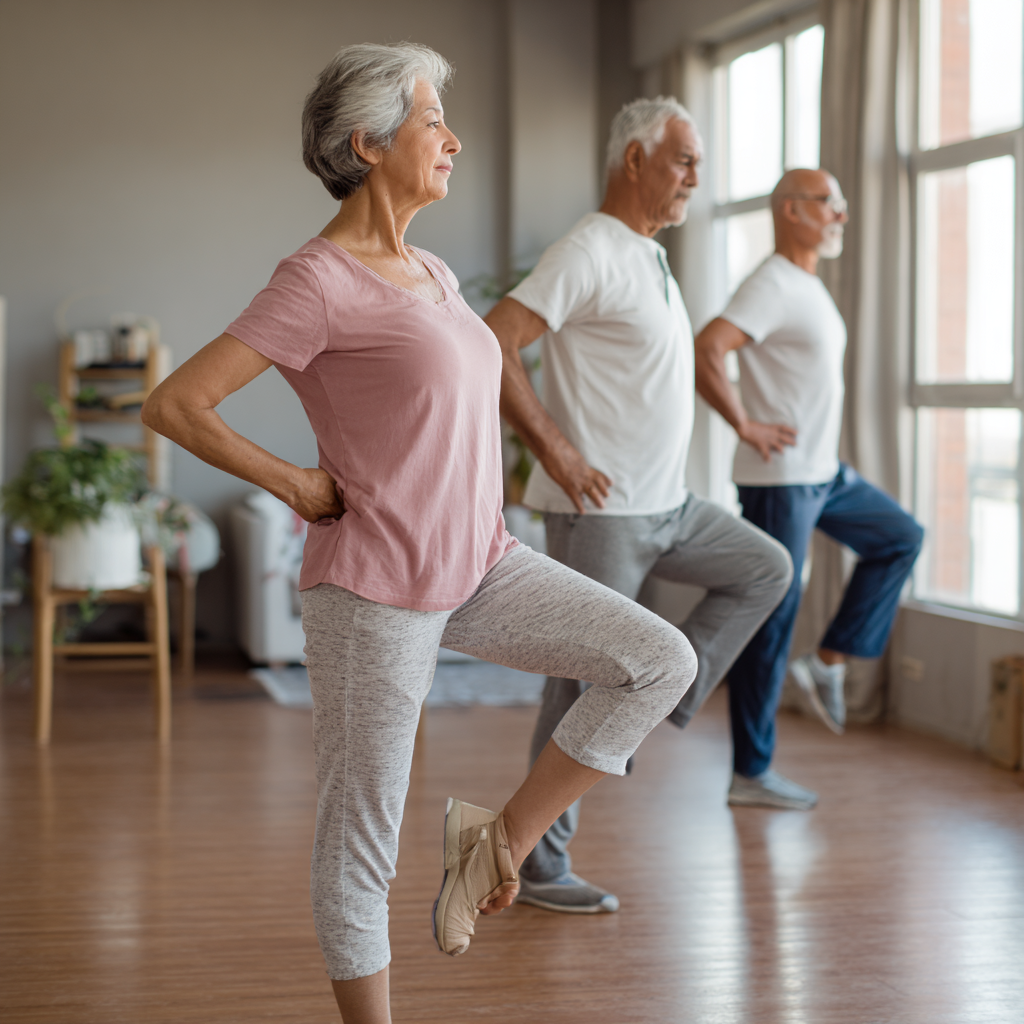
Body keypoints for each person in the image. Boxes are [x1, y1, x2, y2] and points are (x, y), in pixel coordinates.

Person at [142, 44, 697, 1024]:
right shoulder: (316, 279)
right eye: (432, 119)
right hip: (373, 585)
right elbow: (179, 404)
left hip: (481, 560)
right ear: (367, 142)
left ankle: (503, 839)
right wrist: (293, 481)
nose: (453, 138)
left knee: (658, 659)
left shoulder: (432, 270)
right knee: (362, 830)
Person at [485, 97, 794, 917]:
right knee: (579, 681)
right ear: (635, 161)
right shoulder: (590, 248)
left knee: (766, 567)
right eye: (684, 159)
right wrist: (555, 449)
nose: (698, 175)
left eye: (698, 162)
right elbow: (496, 337)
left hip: (672, 505)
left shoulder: (649, 254)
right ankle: (535, 861)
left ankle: (655, 703)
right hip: (604, 515)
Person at [693, 167, 924, 806]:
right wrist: (745, 423)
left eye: (841, 204)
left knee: (900, 537)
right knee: (772, 616)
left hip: (823, 473)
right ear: (792, 210)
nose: (841, 214)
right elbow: (709, 347)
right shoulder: (771, 283)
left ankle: (825, 664)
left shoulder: (806, 284)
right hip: (781, 480)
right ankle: (751, 772)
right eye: (829, 203)